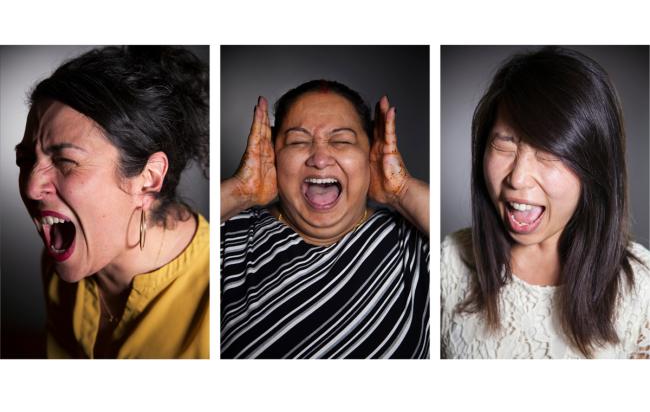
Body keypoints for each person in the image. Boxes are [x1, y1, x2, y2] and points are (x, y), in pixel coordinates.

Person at [441, 46, 650, 359]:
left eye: (549, 151)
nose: (518, 178)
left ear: (594, 165)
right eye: (505, 143)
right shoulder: (447, 265)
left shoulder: (641, 290)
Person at [15, 46, 210, 359]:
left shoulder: (219, 300)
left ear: (148, 179)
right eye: (24, 159)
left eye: (65, 160)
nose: (31, 186)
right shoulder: (60, 260)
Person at [220, 80, 430, 359]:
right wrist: (240, 192)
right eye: (298, 141)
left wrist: (401, 190)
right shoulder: (231, 234)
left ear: (372, 155)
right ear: (271, 156)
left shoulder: (412, 241)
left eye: (341, 141)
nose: (319, 158)